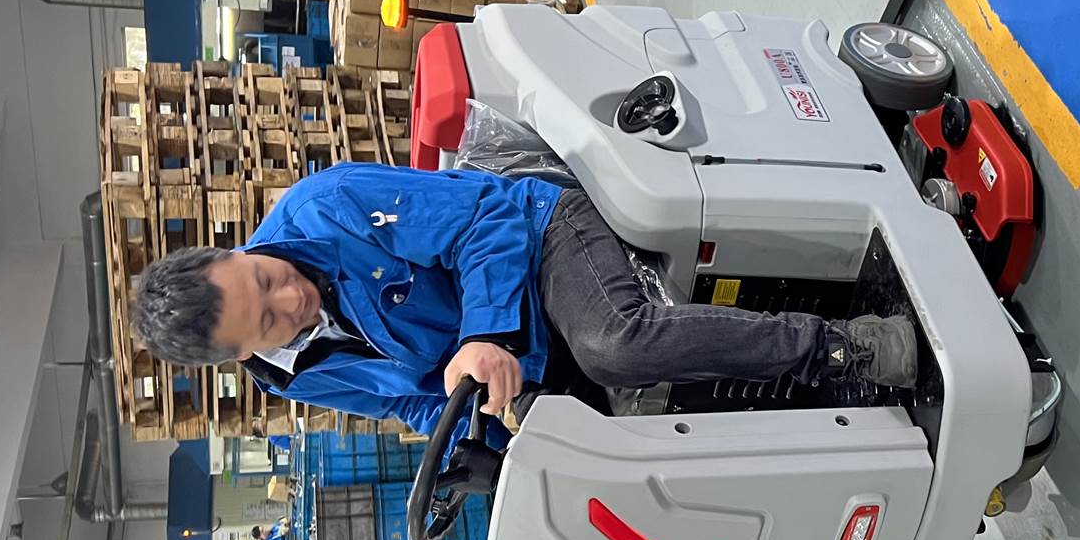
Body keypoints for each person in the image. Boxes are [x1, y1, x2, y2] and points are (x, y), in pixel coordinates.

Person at [128, 164, 915, 436]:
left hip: (539, 238)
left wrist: (484, 333)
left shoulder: (329, 207)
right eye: (269, 321)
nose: (291, 296)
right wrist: (476, 444)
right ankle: (815, 431)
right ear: (242, 355)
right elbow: (405, 402)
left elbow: (486, 219)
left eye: (264, 279)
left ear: (231, 252)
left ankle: (840, 346)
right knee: (589, 464)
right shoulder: (294, 377)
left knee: (614, 344)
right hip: (516, 354)